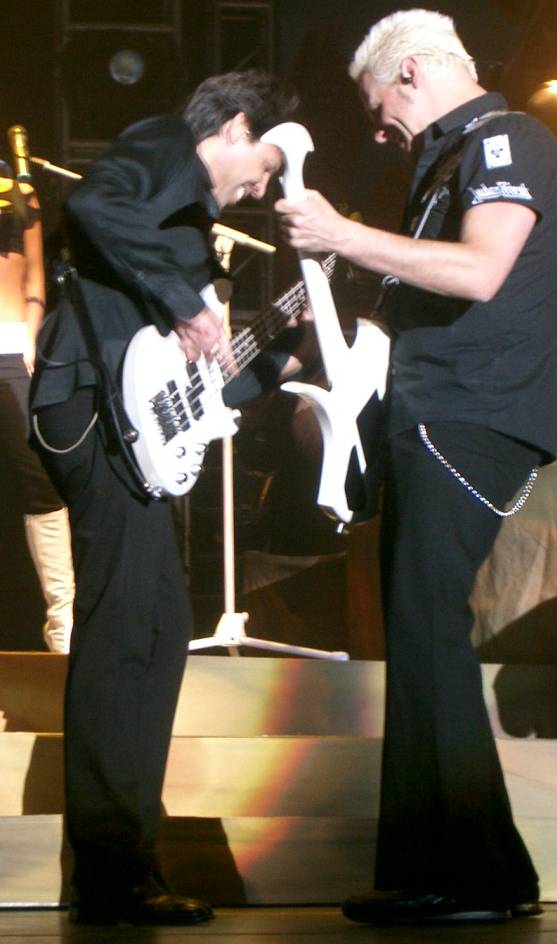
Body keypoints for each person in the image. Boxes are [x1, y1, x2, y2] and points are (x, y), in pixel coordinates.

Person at [275, 8, 557, 926]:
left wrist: (342, 235)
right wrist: (307, 338)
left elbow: (483, 271)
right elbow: (421, 297)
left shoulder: (506, 139)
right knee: (418, 629)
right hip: (433, 413)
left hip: (467, 419)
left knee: (429, 631)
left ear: (410, 73)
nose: (375, 128)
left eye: (376, 107)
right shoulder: (445, 161)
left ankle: (478, 874)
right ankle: (442, 868)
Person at [30, 70, 302, 926]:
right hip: (95, 417)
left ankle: (125, 863)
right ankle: (111, 876)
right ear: (230, 125)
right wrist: (188, 302)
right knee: (125, 633)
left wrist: (278, 364)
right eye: (261, 165)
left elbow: (190, 382)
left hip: (134, 432)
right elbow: (97, 211)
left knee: (152, 629)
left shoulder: (192, 221)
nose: (260, 187)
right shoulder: (163, 144)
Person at [0, 153, 74, 653]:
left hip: (8, 347)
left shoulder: (18, 186)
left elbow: (34, 282)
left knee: (43, 480)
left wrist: (29, 339)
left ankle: (63, 622)